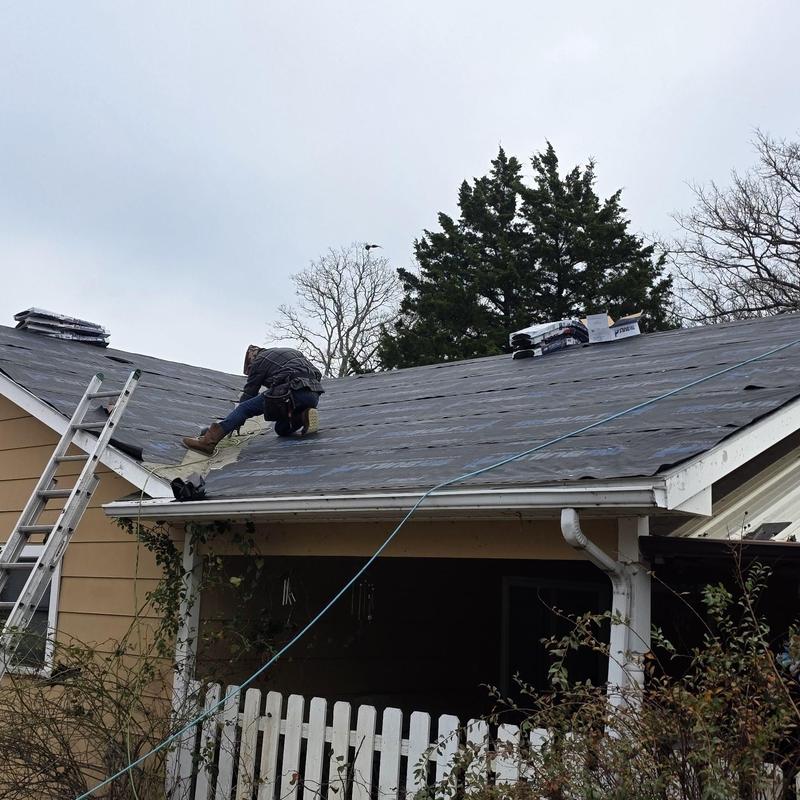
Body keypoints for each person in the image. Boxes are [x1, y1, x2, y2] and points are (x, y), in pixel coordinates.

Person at [182, 345, 324, 455]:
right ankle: (302, 416)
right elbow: (317, 372)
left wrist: (234, 421)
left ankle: (208, 442)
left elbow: (248, 396)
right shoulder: (292, 352)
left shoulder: (259, 361)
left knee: (244, 409)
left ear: (251, 360)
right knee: (281, 429)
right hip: (313, 394)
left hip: (292, 390)